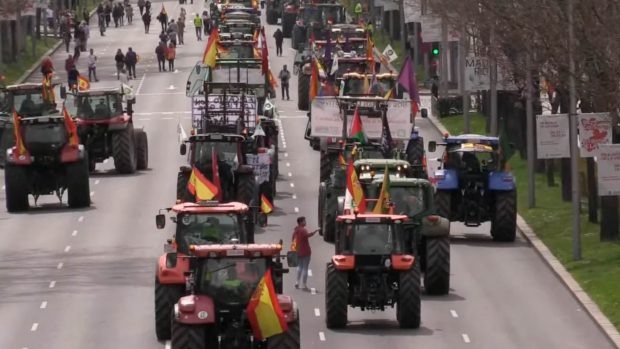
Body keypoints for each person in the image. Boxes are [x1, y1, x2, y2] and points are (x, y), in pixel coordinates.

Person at [292, 216, 319, 290]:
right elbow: (308, 235)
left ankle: (297, 282)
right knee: (305, 268)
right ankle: (304, 284)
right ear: (301, 222)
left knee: (299, 267)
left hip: (298, 251)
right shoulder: (303, 230)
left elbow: (293, 240)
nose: (305, 222)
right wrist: (316, 231)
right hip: (306, 251)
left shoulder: (296, 230)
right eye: (304, 221)